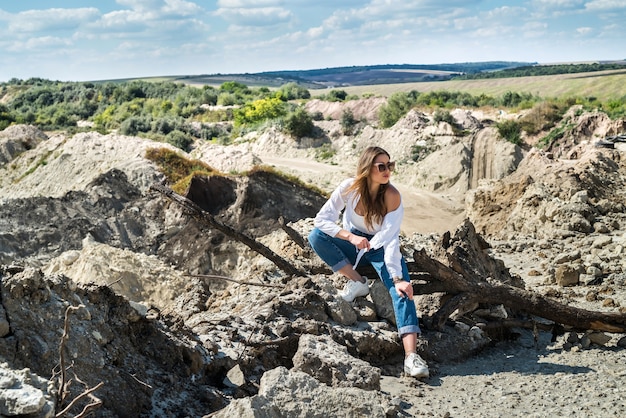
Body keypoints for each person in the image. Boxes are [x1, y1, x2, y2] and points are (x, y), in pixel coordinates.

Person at [307, 146, 429, 378]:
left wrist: (397, 278)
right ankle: (358, 282)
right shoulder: (349, 188)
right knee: (316, 236)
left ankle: (411, 357)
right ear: (367, 168)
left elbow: (391, 239)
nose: (387, 171)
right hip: (355, 244)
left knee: (402, 291)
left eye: (389, 166)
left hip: (382, 248)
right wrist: (349, 236)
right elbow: (322, 219)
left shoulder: (391, 196)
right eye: (381, 166)